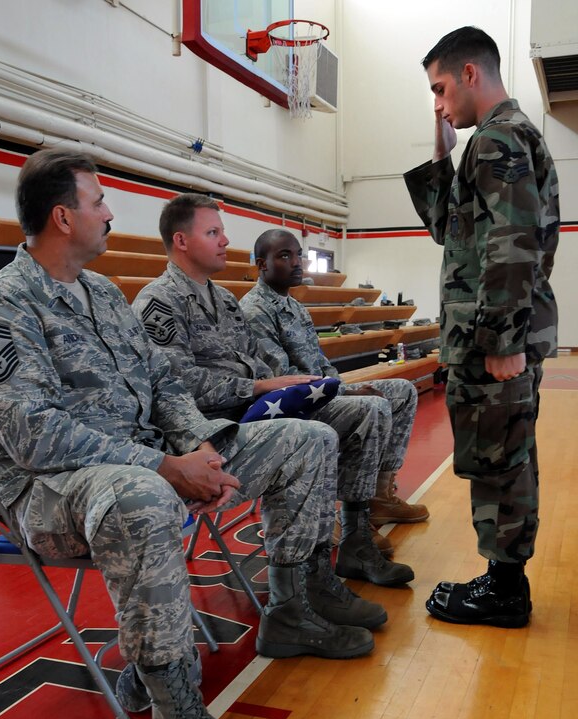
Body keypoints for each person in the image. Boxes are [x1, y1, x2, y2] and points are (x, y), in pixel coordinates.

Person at [0, 149, 377, 719]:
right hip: (51, 489)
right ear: (63, 216)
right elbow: (32, 435)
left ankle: (289, 610)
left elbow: (165, 383)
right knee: (143, 497)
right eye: (98, 201)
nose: (109, 212)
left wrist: (199, 449)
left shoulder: (106, 293)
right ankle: (176, 718)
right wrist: (164, 468)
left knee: (307, 439)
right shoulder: (8, 303)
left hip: (148, 458)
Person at [132, 194, 417, 591]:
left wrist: (291, 386)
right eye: (213, 232)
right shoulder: (159, 303)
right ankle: (301, 583)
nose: (225, 241)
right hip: (218, 428)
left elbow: (256, 361)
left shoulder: (224, 299)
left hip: (261, 408)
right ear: (181, 241)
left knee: (369, 411)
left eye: (222, 232)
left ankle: (355, 537)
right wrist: (258, 386)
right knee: (316, 436)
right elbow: (175, 385)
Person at [403, 26, 559, 627]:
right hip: (492, 335)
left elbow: (511, 245)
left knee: (501, 459)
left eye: (440, 89)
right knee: (502, 454)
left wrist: (500, 341)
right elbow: (453, 230)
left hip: (493, 341)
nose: (438, 103)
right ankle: (503, 581)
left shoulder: (499, 140)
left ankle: (503, 590)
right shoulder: (496, 141)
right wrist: (442, 148)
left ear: (472, 73)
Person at [240, 228, 429, 541]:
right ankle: (347, 513)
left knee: (403, 391)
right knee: (374, 405)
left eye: (298, 254)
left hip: (322, 394)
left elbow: (322, 362)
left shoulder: (296, 307)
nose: (297, 262)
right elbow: (285, 379)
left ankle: (379, 497)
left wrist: (341, 385)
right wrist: (347, 392)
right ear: (262, 264)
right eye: (285, 256)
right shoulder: (255, 311)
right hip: (293, 408)